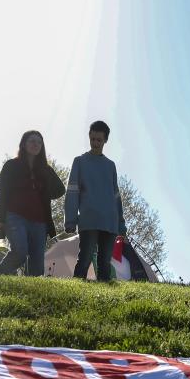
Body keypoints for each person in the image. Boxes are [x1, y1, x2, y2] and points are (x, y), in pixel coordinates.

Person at [0, 130, 66, 276]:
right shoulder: (12, 165)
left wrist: (44, 191)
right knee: (20, 252)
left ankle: (30, 294)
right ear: (24, 144)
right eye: (32, 141)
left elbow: (60, 190)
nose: (35, 144)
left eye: (39, 142)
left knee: (37, 264)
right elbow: (1, 190)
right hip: (15, 216)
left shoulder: (45, 170)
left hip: (39, 221)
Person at [64, 120, 126, 282]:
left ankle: (104, 297)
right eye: (92, 139)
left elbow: (116, 195)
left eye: (99, 140)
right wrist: (70, 219)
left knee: (105, 263)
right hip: (89, 219)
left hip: (110, 222)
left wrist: (121, 224)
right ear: (89, 137)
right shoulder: (80, 162)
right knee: (84, 259)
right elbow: (72, 192)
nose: (95, 143)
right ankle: (76, 292)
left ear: (105, 140)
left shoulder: (110, 166)